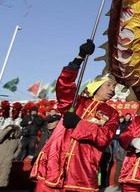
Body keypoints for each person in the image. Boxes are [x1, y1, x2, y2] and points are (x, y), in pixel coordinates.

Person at [30, 39, 120, 192]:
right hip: (53, 165)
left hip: (81, 172)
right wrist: (79, 58)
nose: (112, 90)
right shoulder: (76, 102)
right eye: (109, 85)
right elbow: (64, 85)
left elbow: (103, 138)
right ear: (96, 86)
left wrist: (79, 124)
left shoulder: (112, 114)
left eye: (115, 87)